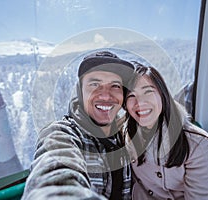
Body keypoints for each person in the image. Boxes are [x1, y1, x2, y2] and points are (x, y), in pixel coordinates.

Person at [22, 51, 134, 200]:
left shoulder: (123, 137)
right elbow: (55, 175)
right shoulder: (62, 133)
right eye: (95, 84)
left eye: (115, 86)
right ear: (80, 93)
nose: (106, 95)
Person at [123, 63, 208, 200]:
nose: (140, 102)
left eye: (148, 92)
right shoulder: (126, 133)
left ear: (163, 94)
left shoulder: (196, 143)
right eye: (131, 95)